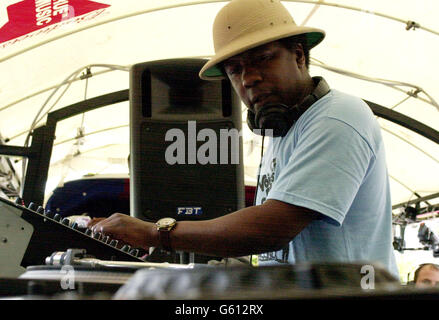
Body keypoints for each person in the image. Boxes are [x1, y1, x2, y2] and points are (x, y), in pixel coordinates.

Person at [88, 0, 399, 277]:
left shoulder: (338, 116)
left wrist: (156, 232)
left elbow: (273, 228)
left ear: (300, 56)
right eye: (235, 70)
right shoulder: (281, 130)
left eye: (263, 59)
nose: (248, 78)